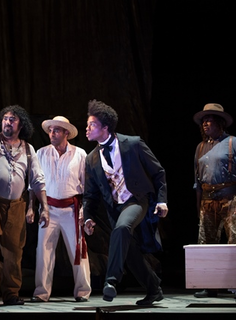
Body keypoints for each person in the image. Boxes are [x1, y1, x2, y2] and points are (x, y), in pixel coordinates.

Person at [82, 99, 168, 306]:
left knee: (121, 228)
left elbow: (158, 172)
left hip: (137, 201)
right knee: (129, 252)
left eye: (91, 125)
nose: (87, 128)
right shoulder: (92, 159)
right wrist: (88, 217)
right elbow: (91, 194)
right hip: (115, 208)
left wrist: (162, 200)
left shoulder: (133, 144)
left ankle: (111, 281)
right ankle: (153, 289)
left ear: (105, 127)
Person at [0, 105, 49, 307]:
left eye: (12, 119)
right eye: (5, 118)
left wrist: (44, 208)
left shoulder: (28, 150)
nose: (7, 122)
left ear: (21, 124)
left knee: (14, 250)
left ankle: (11, 293)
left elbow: (38, 181)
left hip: (16, 205)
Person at [28, 116, 92, 303]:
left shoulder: (80, 154)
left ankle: (82, 291)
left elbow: (87, 186)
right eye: (50, 130)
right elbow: (34, 184)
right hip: (48, 210)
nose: (52, 133)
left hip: (72, 209)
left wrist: (84, 212)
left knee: (78, 251)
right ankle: (41, 292)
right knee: (44, 252)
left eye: (56, 130)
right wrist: (32, 207)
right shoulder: (41, 153)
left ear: (66, 133)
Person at [192, 103, 236, 299]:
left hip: (230, 199)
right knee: (206, 244)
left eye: (209, 120)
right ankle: (209, 286)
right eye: (203, 121)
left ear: (220, 123)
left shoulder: (232, 142)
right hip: (207, 200)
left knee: (234, 241)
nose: (205, 124)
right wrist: (198, 207)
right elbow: (197, 181)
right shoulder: (200, 147)